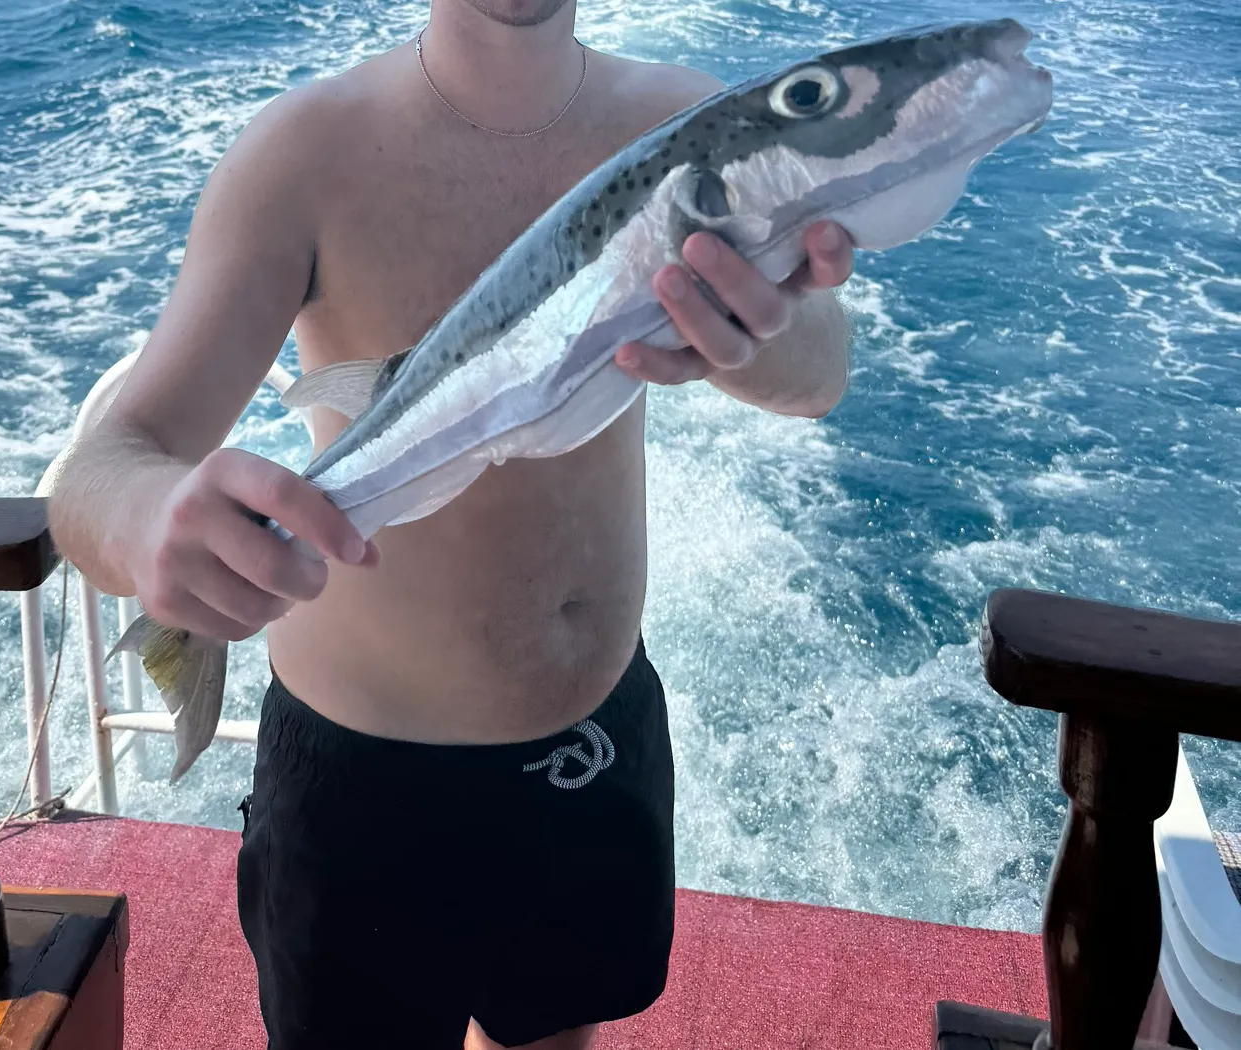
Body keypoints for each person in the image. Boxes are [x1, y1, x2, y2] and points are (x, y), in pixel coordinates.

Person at [46, 0, 855, 1046]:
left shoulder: (688, 132)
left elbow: (821, 374)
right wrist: (148, 516)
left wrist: (754, 335)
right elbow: (99, 472)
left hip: (592, 740)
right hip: (358, 779)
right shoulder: (303, 152)